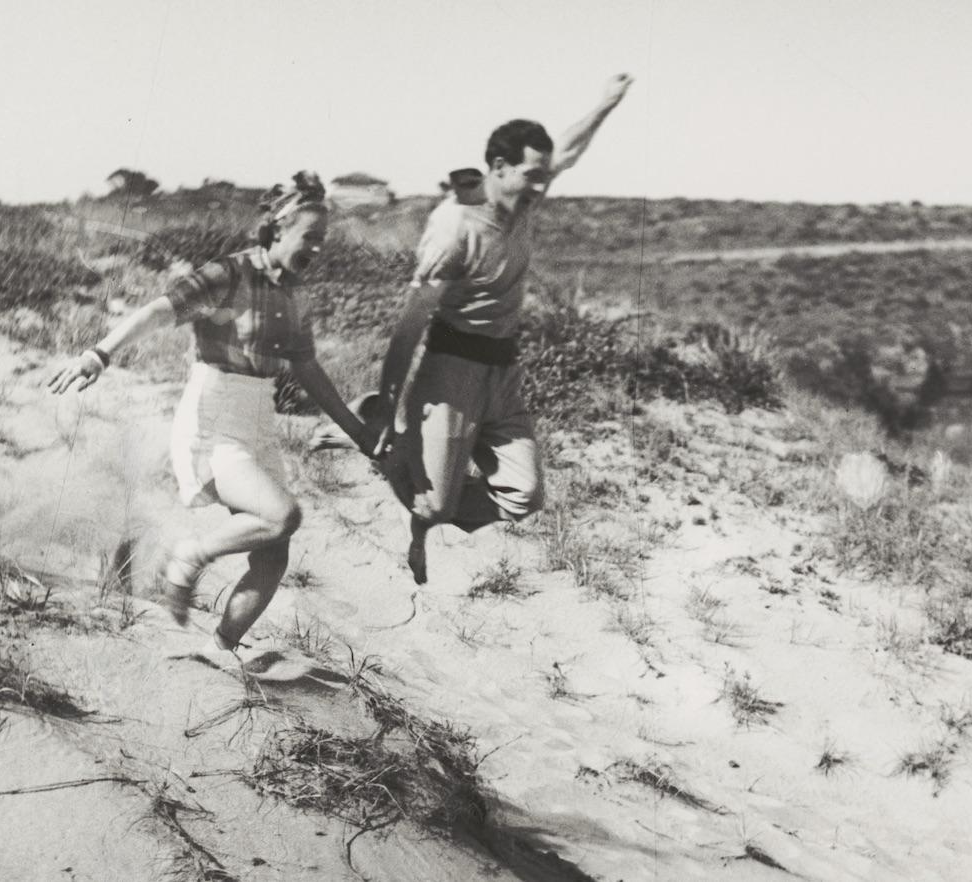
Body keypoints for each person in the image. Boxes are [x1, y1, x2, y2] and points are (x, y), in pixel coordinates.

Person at [47, 171, 376, 656]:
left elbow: (307, 369)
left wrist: (359, 433)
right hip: (215, 418)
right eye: (310, 237)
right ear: (279, 229)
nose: (318, 248)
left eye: (323, 239)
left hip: (260, 420)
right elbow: (159, 311)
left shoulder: (294, 294)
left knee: (273, 557)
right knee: (283, 516)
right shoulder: (230, 274)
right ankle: (188, 556)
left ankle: (220, 650)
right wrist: (100, 354)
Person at [374, 73, 634, 583]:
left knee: (524, 494)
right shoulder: (455, 228)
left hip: (503, 371)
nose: (543, 185)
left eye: (543, 175)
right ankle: (391, 456)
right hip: (451, 371)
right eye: (532, 175)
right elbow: (411, 323)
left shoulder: (525, 198)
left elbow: (569, 149)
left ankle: (428, 489)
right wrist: (388, 401)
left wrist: (607, 102)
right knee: (433, 507)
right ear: (498, 167)